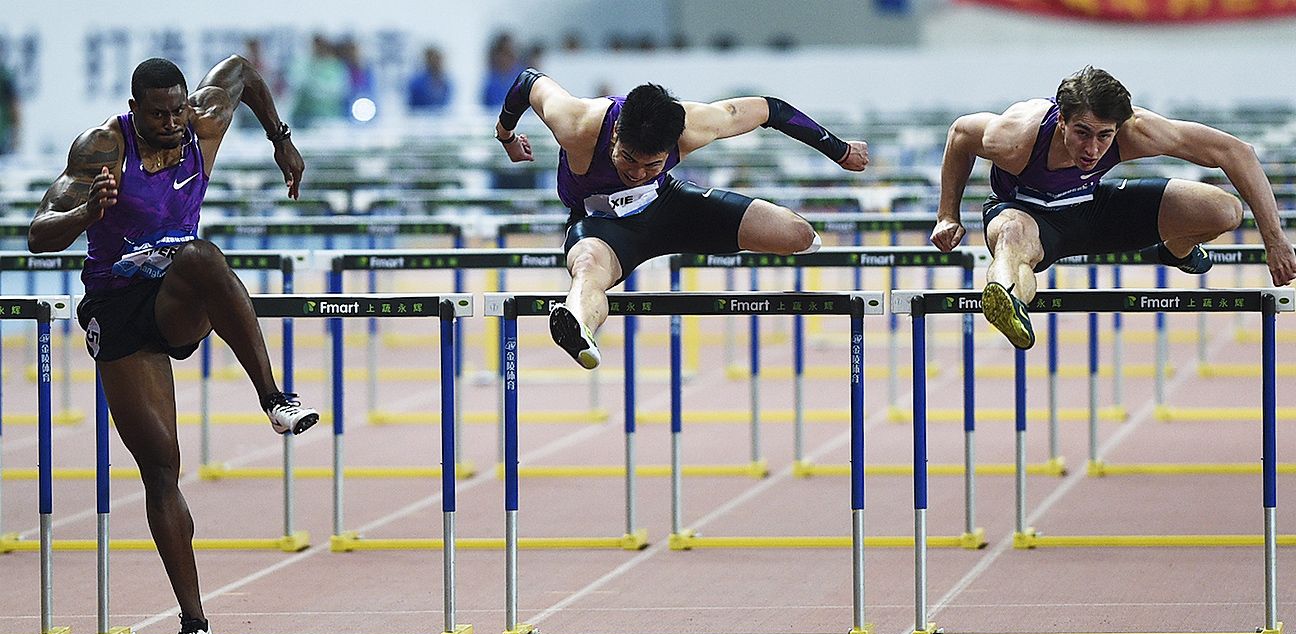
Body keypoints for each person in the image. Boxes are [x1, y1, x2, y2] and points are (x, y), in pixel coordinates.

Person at [28, 56, 318, 634]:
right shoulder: (103, 147)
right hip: (119, 305)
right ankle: (193, 623)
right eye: (157, 115)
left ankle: (275, 399)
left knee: (202, 258)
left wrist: (281, 141)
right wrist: (88, 214)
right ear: (134, 112)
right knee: (160, 470)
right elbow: (39, 233)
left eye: (177, 111)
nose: (171, 124)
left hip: (177, 296)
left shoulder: (202, 124)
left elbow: (242, 70)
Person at [493, 68, 869, 368]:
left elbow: (771, 109)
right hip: (602, 228)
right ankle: (578, 327)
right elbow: (528, 81)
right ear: (615, 139)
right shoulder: (577, 122)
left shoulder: (695, 124)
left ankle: (790, 233)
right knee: (588, 266)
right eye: (628, 160)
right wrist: (506, 135)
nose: (637, 172)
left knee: (795, 234)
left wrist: (839, 151)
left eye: (651, 163)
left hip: (669, 206)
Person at [929, 66, 1296, 350]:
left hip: (1090, 206)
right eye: (1082, 133)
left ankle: (1175, 249)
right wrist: (948, 214)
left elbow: (1236, 152)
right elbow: (961, 134)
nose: (1092, 148)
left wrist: (1275, 239)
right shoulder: (1014, 138)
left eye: (1104, 136)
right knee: (1012, 238)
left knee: (1224, 211)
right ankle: (1008, 301)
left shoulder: (1137, 131)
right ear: (1062, 121)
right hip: (1025, 214)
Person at [407, 46, 452, 112]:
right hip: (420, 118)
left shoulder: (446, 82)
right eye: (434, 60)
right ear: (428, 61)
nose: (438, 63)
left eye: (439, 60)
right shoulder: (417, 82)